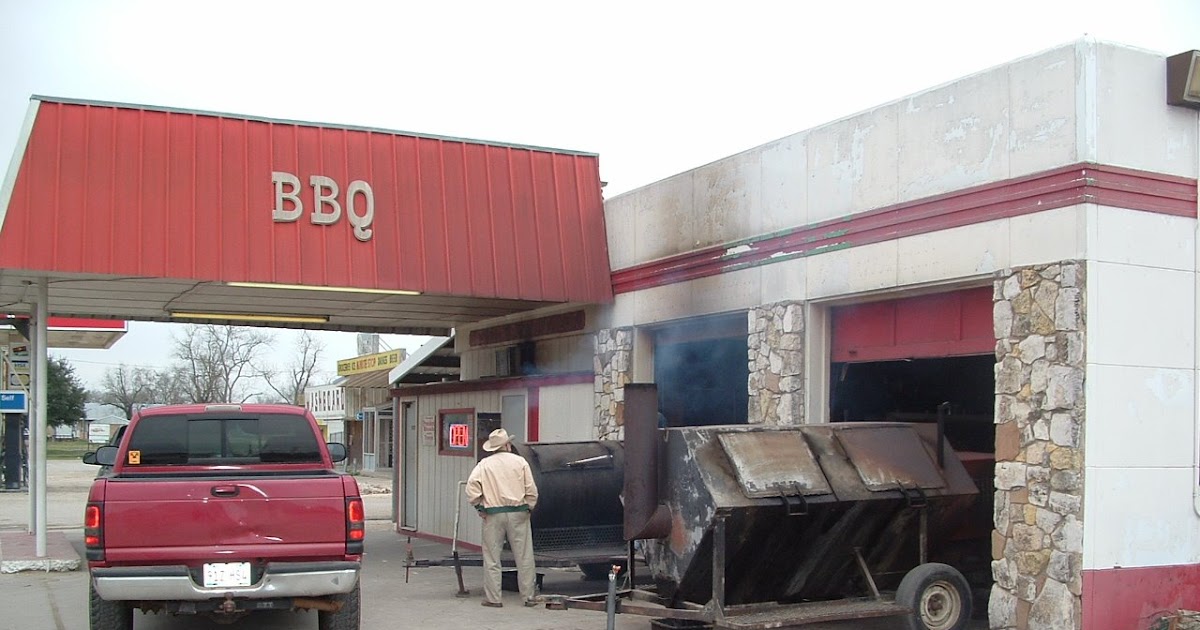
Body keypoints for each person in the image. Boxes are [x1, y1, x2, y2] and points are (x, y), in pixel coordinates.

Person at [465, 428, 540, 608]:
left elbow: (471, 488)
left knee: (492, 557)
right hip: (518, 512)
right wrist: (529, 507)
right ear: (507, 444)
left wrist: (479, 506)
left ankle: (494, 598)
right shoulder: (520, 462)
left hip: (493, 514)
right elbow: (531, 490)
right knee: (524, 556)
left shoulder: (484, 464)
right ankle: (528, 596)